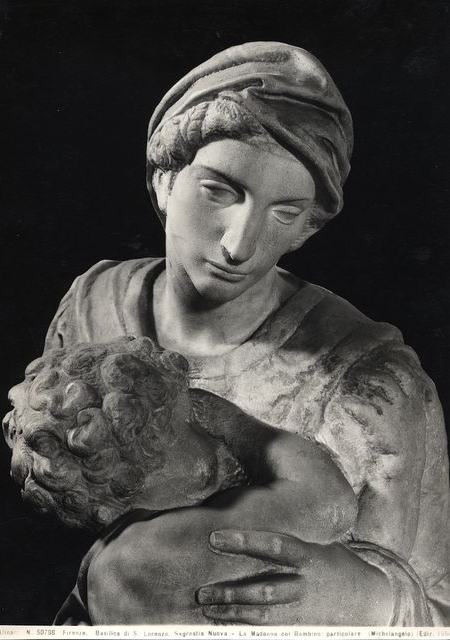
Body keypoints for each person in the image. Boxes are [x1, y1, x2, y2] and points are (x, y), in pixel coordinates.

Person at [42, 42, 449, 625]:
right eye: (219, 190)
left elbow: (438, 614)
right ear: (164, 179)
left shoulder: (371, 383)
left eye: (285, 213)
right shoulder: (93, 309)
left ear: (307, 227)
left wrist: (372, 601)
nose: (239, 245)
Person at [3, 336, 358, 624]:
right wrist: (233, 422)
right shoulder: (144, 554)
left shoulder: (114, 557)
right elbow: (329, 504)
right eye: (194, 420)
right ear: (136, 476)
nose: (221, 445)